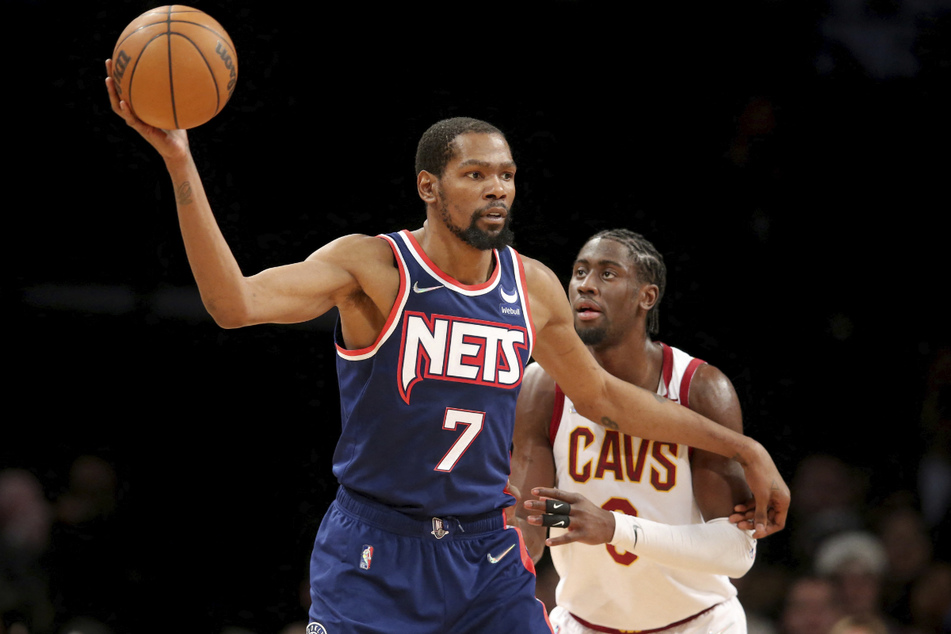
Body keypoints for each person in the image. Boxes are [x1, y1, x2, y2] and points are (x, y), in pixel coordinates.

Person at [105, 64, 789, 633]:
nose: (497, 187)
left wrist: (743, 448)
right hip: (375, 548)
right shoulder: (372, 267)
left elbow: (606, 399)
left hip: (484, 553)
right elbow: (234, 305)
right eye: (475, 174)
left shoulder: (531, 285)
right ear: (428, 187)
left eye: (507, 174)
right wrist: (179, 160)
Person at [511, 229, 761, 633]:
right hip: (583, 623)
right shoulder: (542, 386)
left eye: (608, 274)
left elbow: (736, 551)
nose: (586, 285)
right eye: (579, 272)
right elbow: (535, 515)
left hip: (698, 624)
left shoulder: (698, 388)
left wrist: (613, 528)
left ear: (647, 296)